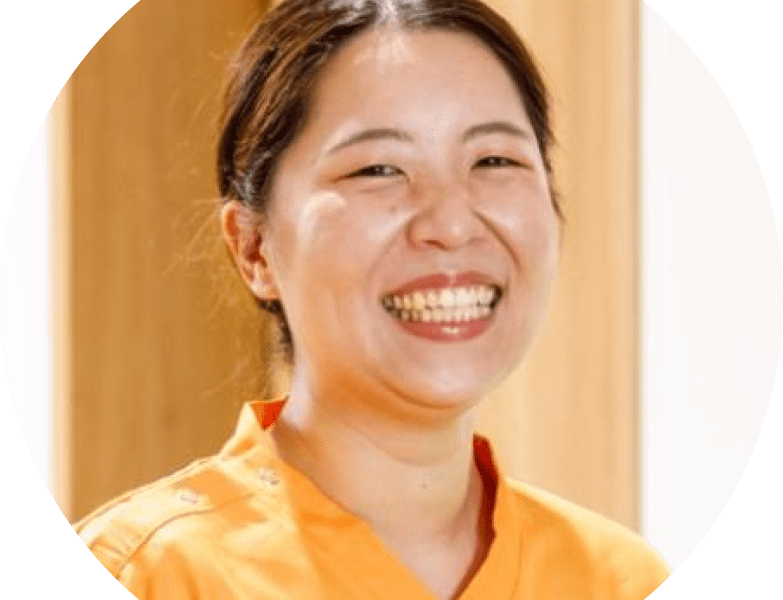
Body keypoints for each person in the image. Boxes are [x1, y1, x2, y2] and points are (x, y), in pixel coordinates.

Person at [72, 1, 670, 598]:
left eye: (494, 160)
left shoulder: (618, 580)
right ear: (254, 249)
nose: (451, 224)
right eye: (378, 170)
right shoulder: (149, 573)